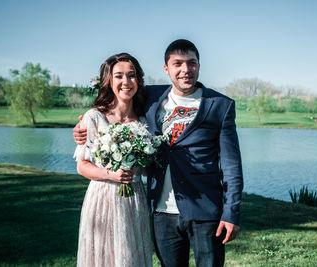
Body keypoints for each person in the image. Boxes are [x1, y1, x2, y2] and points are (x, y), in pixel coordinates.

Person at [74, 39, 243, 267]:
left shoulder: (219, 105)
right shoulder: (152, 99)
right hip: (161, 212)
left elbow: (232, 167)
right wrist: (82, 127)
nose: (185, 70)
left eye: (191, 63)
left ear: (199, 66)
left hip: (205, 211)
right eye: (178, 64)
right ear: (167, 69)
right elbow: (116, 100)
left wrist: (231, 213)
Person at [73, 53, 152, 267]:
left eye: (131, 76)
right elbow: (82, 166)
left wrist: (145, 156)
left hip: (134, 199)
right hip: (102, 198)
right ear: (109, 81)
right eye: (118, 76)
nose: (126, 82)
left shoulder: (144, 121)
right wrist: (111, 174)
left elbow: (146, 171)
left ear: (138, 80)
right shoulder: (94, 117)